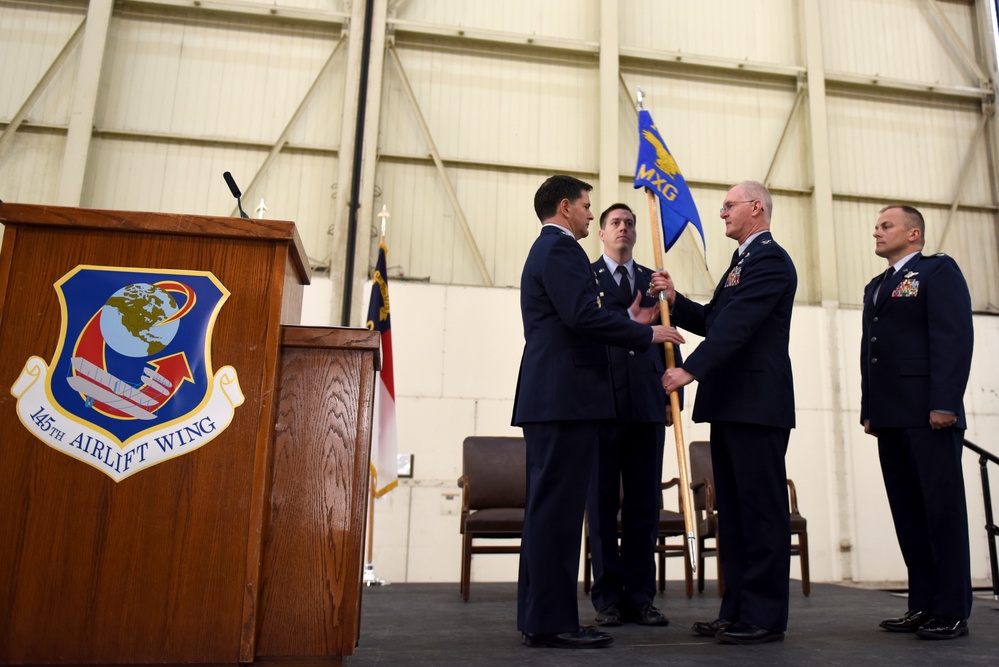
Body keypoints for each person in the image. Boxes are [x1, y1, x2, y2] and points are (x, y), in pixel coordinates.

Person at [512, 175, 681, 649]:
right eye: (587, 207)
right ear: (565, 208)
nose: (591, 214)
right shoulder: (562, 250)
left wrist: (631, 323)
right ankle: (553, 623)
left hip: (555, 397)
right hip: (566, 398)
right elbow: (582, 316)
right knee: (558, 516)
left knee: (550, 513)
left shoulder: (547, 250)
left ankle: (541, 618)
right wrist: (644, 334)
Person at [653, 180, 796, 645]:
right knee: (732, 516)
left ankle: (765, 616)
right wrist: (676, 303)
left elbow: (739, 325)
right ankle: (735, 609)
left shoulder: (771, 260)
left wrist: (689, 370)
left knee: (762, 514)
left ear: (757, 208)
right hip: (733, 405)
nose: (722, 213)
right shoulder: (742, 262)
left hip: (757, 404)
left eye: (730, 205)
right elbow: (716, 319)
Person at [860, 204, 974, 640]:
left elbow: (952, 337)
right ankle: (922, 604)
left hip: (930, 415)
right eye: (876, 226)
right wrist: (870, 408)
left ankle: (951, 609)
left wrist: (945, 402)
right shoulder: (878, 285)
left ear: (913, 234)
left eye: (886, 225)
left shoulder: (937, 271)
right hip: (890, 416)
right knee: (908, 514)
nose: (877, 232)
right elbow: (871, 351)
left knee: (941, 512)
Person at [587, 203, 676, 628]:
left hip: (645, 402)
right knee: (602, 503)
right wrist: (629, 321)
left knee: (645, 504)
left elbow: (668, 339)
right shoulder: (587, 278)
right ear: (601, 234)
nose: (623, 228)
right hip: (601, 403)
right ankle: (607, 597)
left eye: (630, 224)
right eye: (615, 223)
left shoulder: (652, 281)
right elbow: (584, 328)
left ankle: (641, 596)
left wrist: (670, 398)